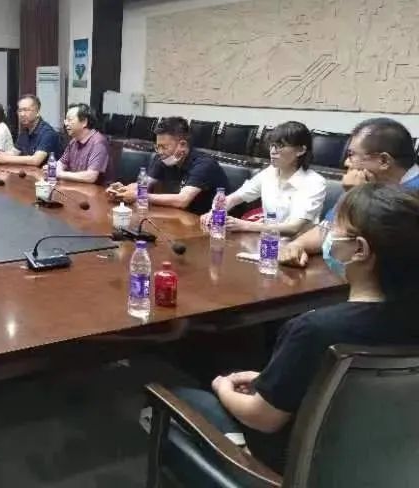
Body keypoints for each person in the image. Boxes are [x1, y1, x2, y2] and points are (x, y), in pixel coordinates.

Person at [172, 184, 419, 472]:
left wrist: (222, 386)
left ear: (360, 250)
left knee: (178, 391)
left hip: (289, 469)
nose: (327, 236)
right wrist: (272, 381)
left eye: (333, 229)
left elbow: (263, 418)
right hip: (383, 464)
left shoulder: (315, 330)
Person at [280, 117, 419, 267]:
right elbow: (328, 228)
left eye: (351, 154)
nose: (346, 162)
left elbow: (364, 249)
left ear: (384, 161)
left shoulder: (412, 197)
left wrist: (357, 197)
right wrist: (297, 245)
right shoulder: (372, 184)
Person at [199, 121, 326, 236]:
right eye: (272, 145)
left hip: (296, 247)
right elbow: (234, 198)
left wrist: (245, 225)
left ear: (301, 150)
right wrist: (214, 212)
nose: (273, 151)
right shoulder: (269, 172)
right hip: (266, 239)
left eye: (280, 146)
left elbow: (293, 228)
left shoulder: (314, 182)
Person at [106, 116, 228, 214]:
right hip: (179, 218)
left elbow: (182, 200)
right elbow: (143, 185)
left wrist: (140, 196)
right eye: (157, 147)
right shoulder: (163, 158)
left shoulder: (204, 165)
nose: (160, 152)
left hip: (209, 223)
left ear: (182, 145)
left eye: (164, 147)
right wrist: (122, 190)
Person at [0, 94, 59, 167]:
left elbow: (36, 160)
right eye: (20, 110)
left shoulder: (48, 133)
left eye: (26, 110)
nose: (22, 114)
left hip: (48, 173)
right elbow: (14, 152)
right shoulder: (25, 131)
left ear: (37, 112)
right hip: (30, 172)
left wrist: (5, 159)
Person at [56, 103, 110, 184]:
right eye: (65, 120)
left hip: (97, 190)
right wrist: (53, 168)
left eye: (70, 120)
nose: (66, 124)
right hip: (77, 187)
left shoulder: (98, 143)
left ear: (84, 122)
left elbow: (91, 176)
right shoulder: (74, 141)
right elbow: (61, 163)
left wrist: (60, 174)